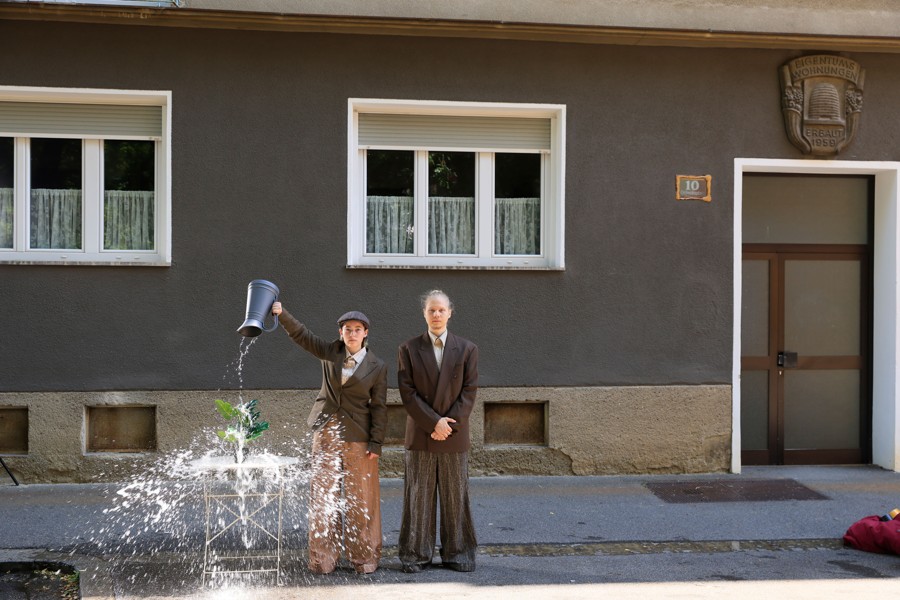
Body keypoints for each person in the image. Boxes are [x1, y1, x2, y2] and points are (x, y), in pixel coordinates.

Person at [271, 301, 387, 575]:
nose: (352, 333)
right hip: (326, 433)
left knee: (362, 499)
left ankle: (364, 558)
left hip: (359, 436)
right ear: (341, 332)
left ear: (366, 333)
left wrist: (376, 442)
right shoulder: (329, 352)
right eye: (348, 329)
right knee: (324, 498)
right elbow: (302, 335)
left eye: (358, 329)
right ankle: (323, 558)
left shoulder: (377, 366)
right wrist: (281, 313)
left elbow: (379, 406)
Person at [397, 289, 479, 573]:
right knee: (418, 496)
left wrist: (446, 425)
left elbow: (469, 393)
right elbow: (407, 393)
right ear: (424, 313)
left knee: (456, 495)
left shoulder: (467, 349)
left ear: (450, 313)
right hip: (421, 433)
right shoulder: (408, 349)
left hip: (454, 434)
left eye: (441, 310)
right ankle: (415, 554)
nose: (436, 315)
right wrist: (433, 423)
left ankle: (459, 553)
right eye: (431, 310)